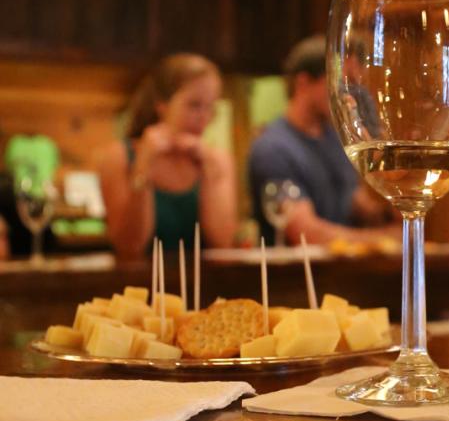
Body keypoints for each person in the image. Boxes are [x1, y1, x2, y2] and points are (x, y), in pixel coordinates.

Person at [247, 35, 394, 245]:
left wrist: (396, 201)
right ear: (303, 82)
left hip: (341, 272)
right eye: (340, 82)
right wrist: (385, 239)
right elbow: (304, 233)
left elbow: (354, 202)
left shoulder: (336, 139)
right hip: (296, 275)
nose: (348, 94)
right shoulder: (272, 149)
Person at [98, 54, 237, 257]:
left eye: (211, 108)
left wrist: (209, 172)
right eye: (194, 105)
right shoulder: (118, 157)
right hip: (139, 286)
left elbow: (223, 243)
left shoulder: (218, 160)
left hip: (202, 286)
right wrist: (143, 166)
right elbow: (129, 247)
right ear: (162, 106)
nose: (204, 118)